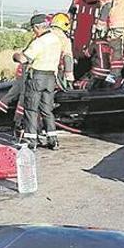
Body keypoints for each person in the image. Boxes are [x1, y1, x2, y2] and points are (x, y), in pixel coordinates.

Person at [17, 14, 62, 150]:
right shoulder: (56, 39)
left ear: (37, 27)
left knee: (31, 108)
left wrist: (16, 55)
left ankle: (31, 140)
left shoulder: (39, 42)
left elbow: (24, 59)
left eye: (33, 28)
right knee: (47, 110)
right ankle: (53, 139)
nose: (33, 31)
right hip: (50, 78)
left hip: (37, 77)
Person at [49, 12, 75, 90]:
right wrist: (69, 76)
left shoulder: (44, 35)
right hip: (55, 70)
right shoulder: (64, 39)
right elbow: (67, 57)